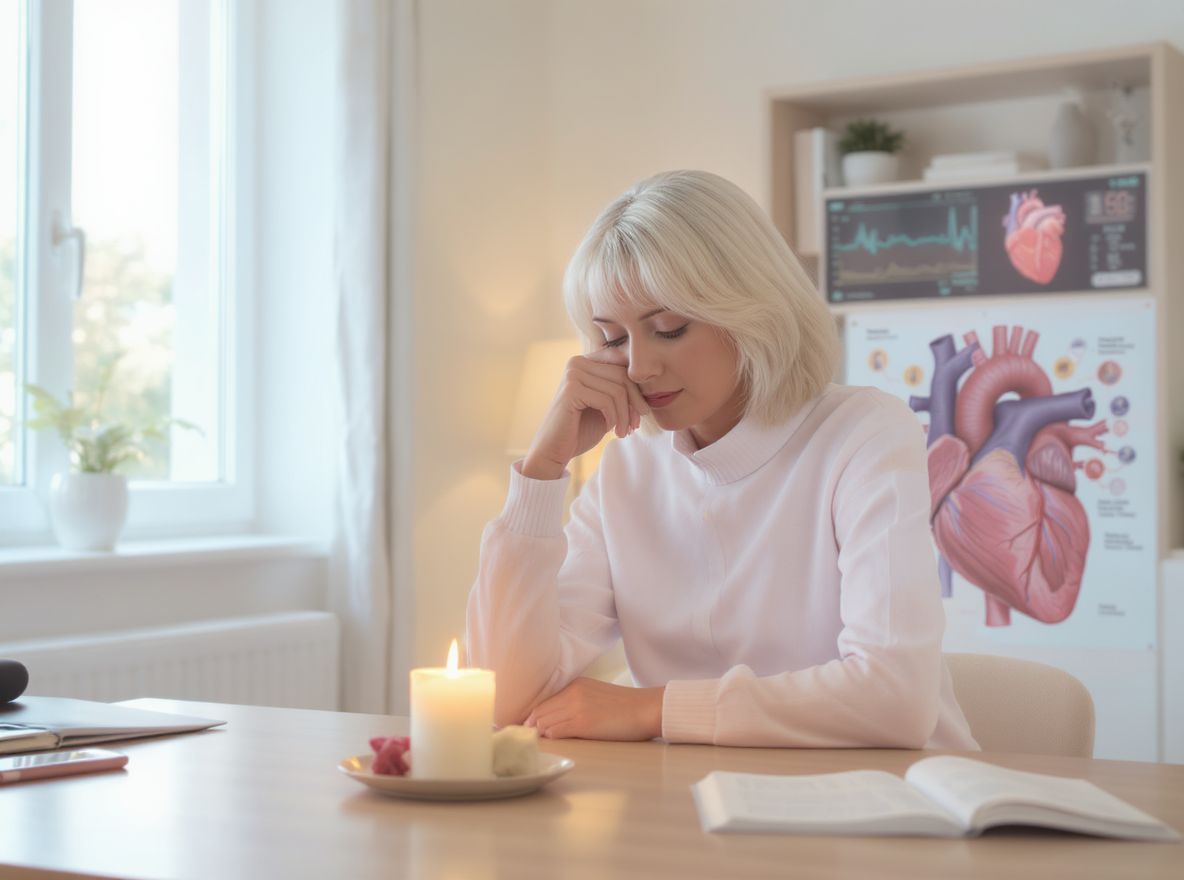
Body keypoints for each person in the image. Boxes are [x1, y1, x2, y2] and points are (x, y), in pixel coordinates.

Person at [466, 170, 978, 749]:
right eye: (612, 339)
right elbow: (501, 699)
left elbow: (894, 699)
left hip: (897, 807)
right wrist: (542, 470)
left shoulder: (862, 434)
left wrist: (652, 709)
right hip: (701, 815)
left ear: (749, 313)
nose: (637, 368)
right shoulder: (627, 472)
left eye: (668, 329)